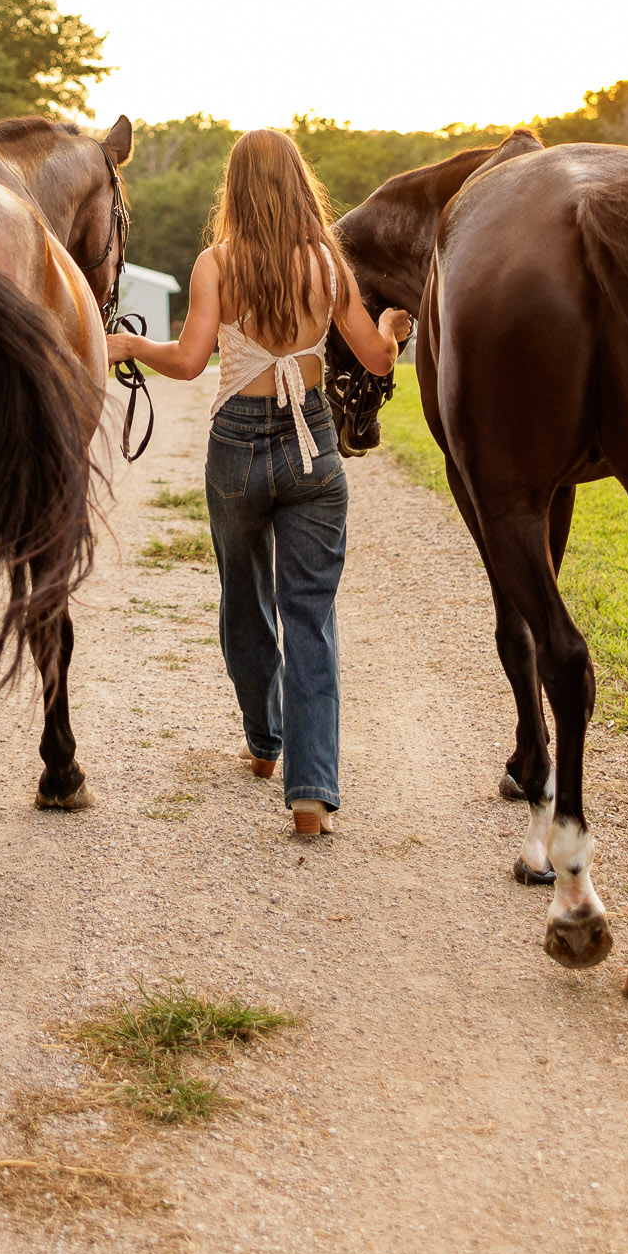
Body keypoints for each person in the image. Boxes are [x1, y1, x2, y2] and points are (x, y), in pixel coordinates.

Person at [105, 130, 410, 836]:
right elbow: (376, 358)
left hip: (236, 447)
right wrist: (392, 329)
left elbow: (188, 362)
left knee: (243, 601)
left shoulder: (216, 263)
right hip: (312, 447)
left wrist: (131, 344)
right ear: (299, 184)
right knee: (310, 615)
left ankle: (265, 742)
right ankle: (312, 794)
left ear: (234, 188)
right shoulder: (328, 262)